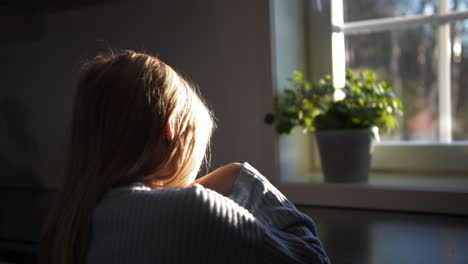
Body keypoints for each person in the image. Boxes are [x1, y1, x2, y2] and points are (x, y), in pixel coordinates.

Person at [39, 51, 330, 264]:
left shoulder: (71, 223)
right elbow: (311, 259)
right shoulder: (193, 212)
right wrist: (245, 179)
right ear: (172, 126)